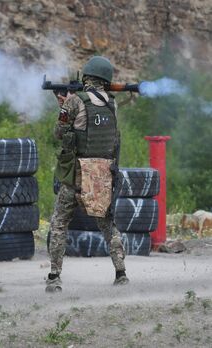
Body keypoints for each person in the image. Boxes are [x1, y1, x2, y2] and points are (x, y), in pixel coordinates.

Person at [46, 56, 129, 293]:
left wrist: (63, 105)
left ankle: (54, 277)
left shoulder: (75, 101)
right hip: (102, 176)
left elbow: (59, 133)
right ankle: (121, 273)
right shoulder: (112, 104)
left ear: (87, 77)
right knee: (108, 225)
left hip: (77, 175)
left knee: (60, 223)